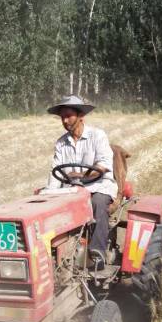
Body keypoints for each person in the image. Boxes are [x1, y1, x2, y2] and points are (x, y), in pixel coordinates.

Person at [46, 94, 118, 269]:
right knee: (49, 207)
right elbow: (56, 171)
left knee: (97, 202)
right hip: (72, 189)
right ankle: (54, 254)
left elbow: (104, 165)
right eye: (62, 117)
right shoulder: (61, 143)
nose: (65, 120)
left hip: (99, 185)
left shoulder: (97, 136)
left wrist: (81, 176)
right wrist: (49, 193)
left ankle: (97, 252)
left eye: (69, 115)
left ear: (81, 116)